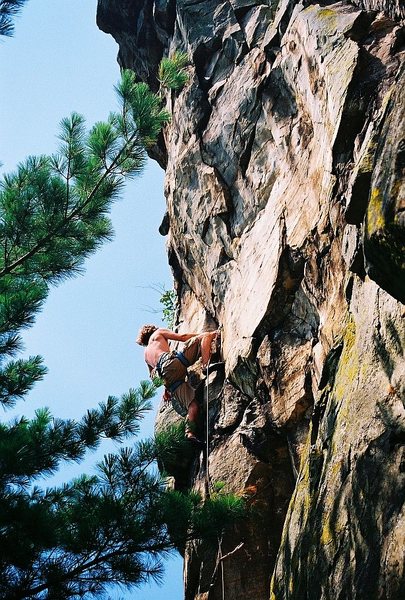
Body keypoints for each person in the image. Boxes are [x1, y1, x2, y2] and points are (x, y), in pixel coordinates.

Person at [136, 325, 218, 444]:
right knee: (206, 336)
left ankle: (189, 432)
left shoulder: (146, 355)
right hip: (172, 363)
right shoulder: (157, 333)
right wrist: (206, 334)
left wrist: (166, 388)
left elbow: (154, 379)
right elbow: (182, 337)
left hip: (169, 380)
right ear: (152, 330)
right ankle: (206, 365)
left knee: (192, 405)